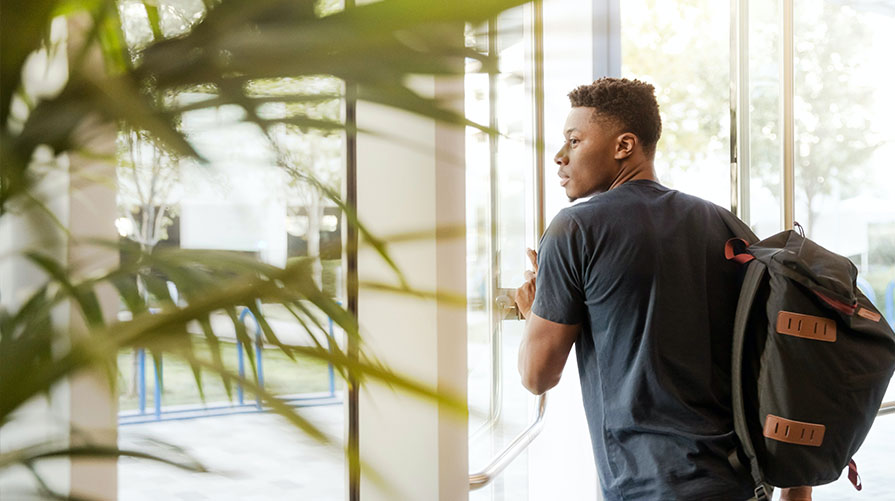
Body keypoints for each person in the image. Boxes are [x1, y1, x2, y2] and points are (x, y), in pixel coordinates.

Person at [513, 77, 812, 501]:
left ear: (624, 145)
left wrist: (534, 313)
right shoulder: (725, 225)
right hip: (740, 482)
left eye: (574, 141)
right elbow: (780, 358)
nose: (560, 158)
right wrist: (796, 493)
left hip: (649, 487)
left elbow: (536, 375)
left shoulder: (574, 229)